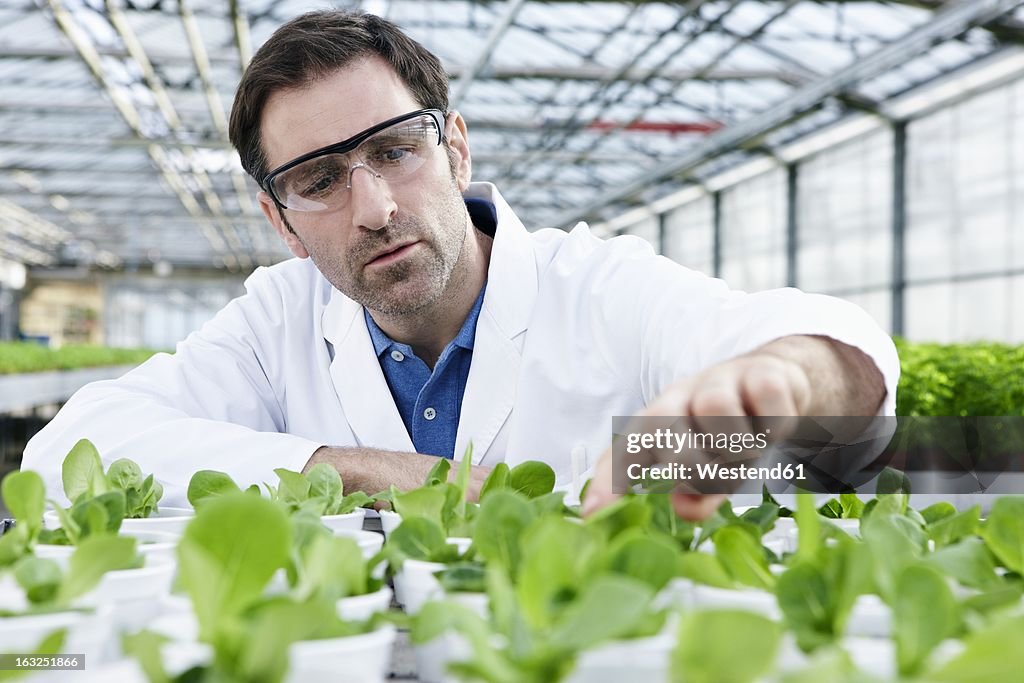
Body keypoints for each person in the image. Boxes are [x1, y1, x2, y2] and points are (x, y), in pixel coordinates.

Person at [22, 10, 898, 519]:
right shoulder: (274, 323)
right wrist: (363, 468)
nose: (375, 208)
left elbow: (823, 355)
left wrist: (784, 373)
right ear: (281, 222)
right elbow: (71, 447)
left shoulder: (593, 287)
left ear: (457, 151)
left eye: (396, 150)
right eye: (318, 180)